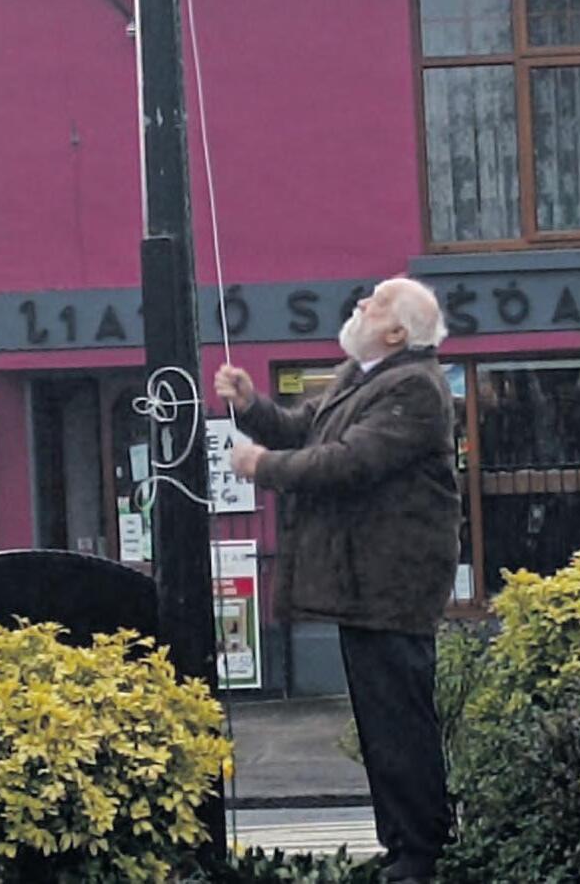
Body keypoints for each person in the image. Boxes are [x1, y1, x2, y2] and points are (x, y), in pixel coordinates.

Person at [214, 277, 460, 884]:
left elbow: (349, 461)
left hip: (393, 585)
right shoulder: (364, 375)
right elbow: (306, 429)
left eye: (376, 302)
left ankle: (419, 852)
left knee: (399, 724)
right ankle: (402, 846)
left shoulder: (415, 387)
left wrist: (262, 465)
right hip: (366, 585)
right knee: (382, 726)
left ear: (397, 332)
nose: (362, 305)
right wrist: (251, 407)